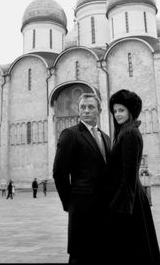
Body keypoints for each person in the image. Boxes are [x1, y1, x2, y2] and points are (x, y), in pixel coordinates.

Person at [53, 92, 111, 264]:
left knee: (101, 253)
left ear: (99, 110)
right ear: (78, 111)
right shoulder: (70, 134)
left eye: (91, 107)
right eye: (83, 107)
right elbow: (59, 172)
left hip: (104, 207)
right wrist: (69, 203)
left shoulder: (106, 138)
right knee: (80, 254)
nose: (86, 111)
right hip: (82, 208)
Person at [108, 89, 160, 264]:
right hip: (131, 198)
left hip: (128, 201)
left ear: (130, 111)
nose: (117, 114)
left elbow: (129, 175)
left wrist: (120, 208)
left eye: (121, 110)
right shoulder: (126, 131)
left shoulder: (130, 133)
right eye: (115, 111)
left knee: (131, 249)